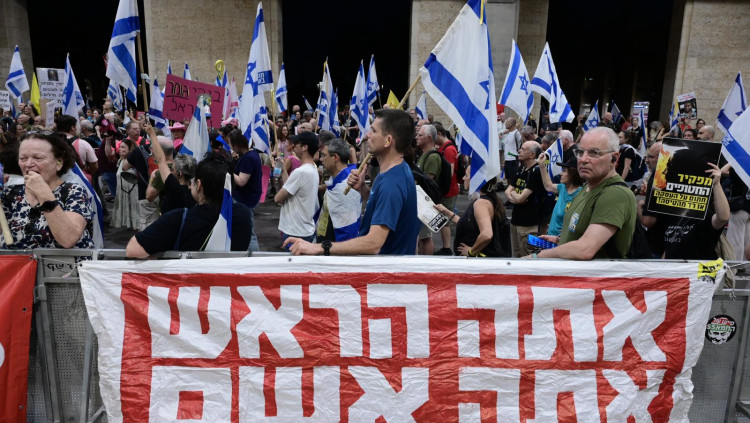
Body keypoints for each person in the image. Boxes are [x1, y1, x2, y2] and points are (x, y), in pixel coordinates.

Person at [284, 109, 419, 255]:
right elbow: (386, 206)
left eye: (373, 131)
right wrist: (363, 190)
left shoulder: (391, 182)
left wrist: (319, 247)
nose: (367, 135)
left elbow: (374, 243)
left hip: (386, 268)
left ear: (388, 141)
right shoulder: (396, 171)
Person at [534, 127, 636, 259]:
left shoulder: (616, 194)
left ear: (614, 158)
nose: (583, 159)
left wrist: (537, 257)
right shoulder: (587, 186)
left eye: (594, 153)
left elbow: (585, 249)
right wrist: (561, 240)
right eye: (580, 152)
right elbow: (581, 233)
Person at [125, 153, 251, 257]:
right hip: (228, 279)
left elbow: (132, 251)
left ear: (199, 185)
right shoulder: (243, 215)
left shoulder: (178, 219)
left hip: (191, 280)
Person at [1, 132, 94, 249]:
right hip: (17, 261)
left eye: (38, 158)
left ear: (59, 162)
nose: (28, 164)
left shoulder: (74, 191)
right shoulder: (10, 193)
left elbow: (68, 239)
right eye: (23, 158)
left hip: (63, 261)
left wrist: (43, 193)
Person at [434, 171, 510, 257]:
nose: (463, 178)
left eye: (466, 175)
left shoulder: (481, 203)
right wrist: (447, 212)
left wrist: (471, 252)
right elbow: (469, 225)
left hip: (479, 261)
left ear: (476, 179)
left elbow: (486, 234)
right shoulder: (485, 199)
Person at [662, 161, 729, 260]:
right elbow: (670, 247)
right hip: (673, 269)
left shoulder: (704, 214)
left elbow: (723, 217)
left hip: (697, 269)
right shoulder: (675, 214)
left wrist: (716, 184)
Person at [274, 131, 320, 248]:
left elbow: (278, 198)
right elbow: (291, 188)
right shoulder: (312, 169)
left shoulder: (300, 172)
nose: (293, 146)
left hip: (295, 231)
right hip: (304, 229)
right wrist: (283, 170)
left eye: (297, 143)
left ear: (305, 147)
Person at [143, 124, 195, 215]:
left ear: (180, 174)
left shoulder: (175, 189)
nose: (170, 171)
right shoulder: (196, 191)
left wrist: (153, 135)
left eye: (173, 170)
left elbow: (161, 160)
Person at [316, 138, 361, 242]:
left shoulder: (345, 187)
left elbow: (347, 230)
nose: (321, 159)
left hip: (336, 247)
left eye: (324, 155)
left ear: (335, 157)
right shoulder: (342, 177)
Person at [505, 140, 544, 257]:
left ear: (532, 154)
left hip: (528, 224)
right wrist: (516, 197)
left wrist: (515, 196)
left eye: (523, 149)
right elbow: (507, 191)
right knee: (516, 255)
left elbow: (520, 198)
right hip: (515, 221)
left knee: (527, 257)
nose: (519, 151)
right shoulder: (522, 169)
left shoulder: (536, 172)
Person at [229, 129, 262, 252]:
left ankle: (254, 256)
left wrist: (228, 171)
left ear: (238, 144)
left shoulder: (248, 158)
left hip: (246, 199)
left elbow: (241, 181)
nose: (231, 147)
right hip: (250, 197)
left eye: (232, 144)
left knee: (249, 233)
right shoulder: (252, 154)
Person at [537, 154, 583, 237]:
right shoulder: (563, 188)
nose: (561, 173)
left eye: (564, 171)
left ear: (574, 174)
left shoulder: (581, 194)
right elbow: (548, 186)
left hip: (562, 240)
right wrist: (542, 165)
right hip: (551, 236)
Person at [638, 141, 668, 258]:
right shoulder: (676, 174)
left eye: (650, 157)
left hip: (657, 245)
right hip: (674, 243)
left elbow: (648, 221)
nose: (646, 160)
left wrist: (639, 207)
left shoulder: (658, 178)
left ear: (661, 157)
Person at [415, 124, 441, 255]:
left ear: (429, 138)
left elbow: (428, 181)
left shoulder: (432, 157)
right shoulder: (424, 154)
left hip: (426, 202)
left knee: (425, 236)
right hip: (421, 201)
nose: (416, 137)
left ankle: (427, 261)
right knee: (421, 236)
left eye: (420, 135)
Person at [434, 124, 459, 255]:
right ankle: (446, 247)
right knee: (444, 219)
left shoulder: (449, 149)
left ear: (439, 134)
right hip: (447, 189)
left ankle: (447, 248)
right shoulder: (444, 147)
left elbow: (449, 173)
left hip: (449, 191)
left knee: (445, 220)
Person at [111, 139, 139, 230]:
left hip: (133, 191)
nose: (120, 149)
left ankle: (136, 224)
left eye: (123, 147)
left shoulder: (134, 162)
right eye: (120, 147)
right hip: (122, 190)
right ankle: (130, 223)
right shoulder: (120, 161)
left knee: (134, 208)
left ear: (130, 149)